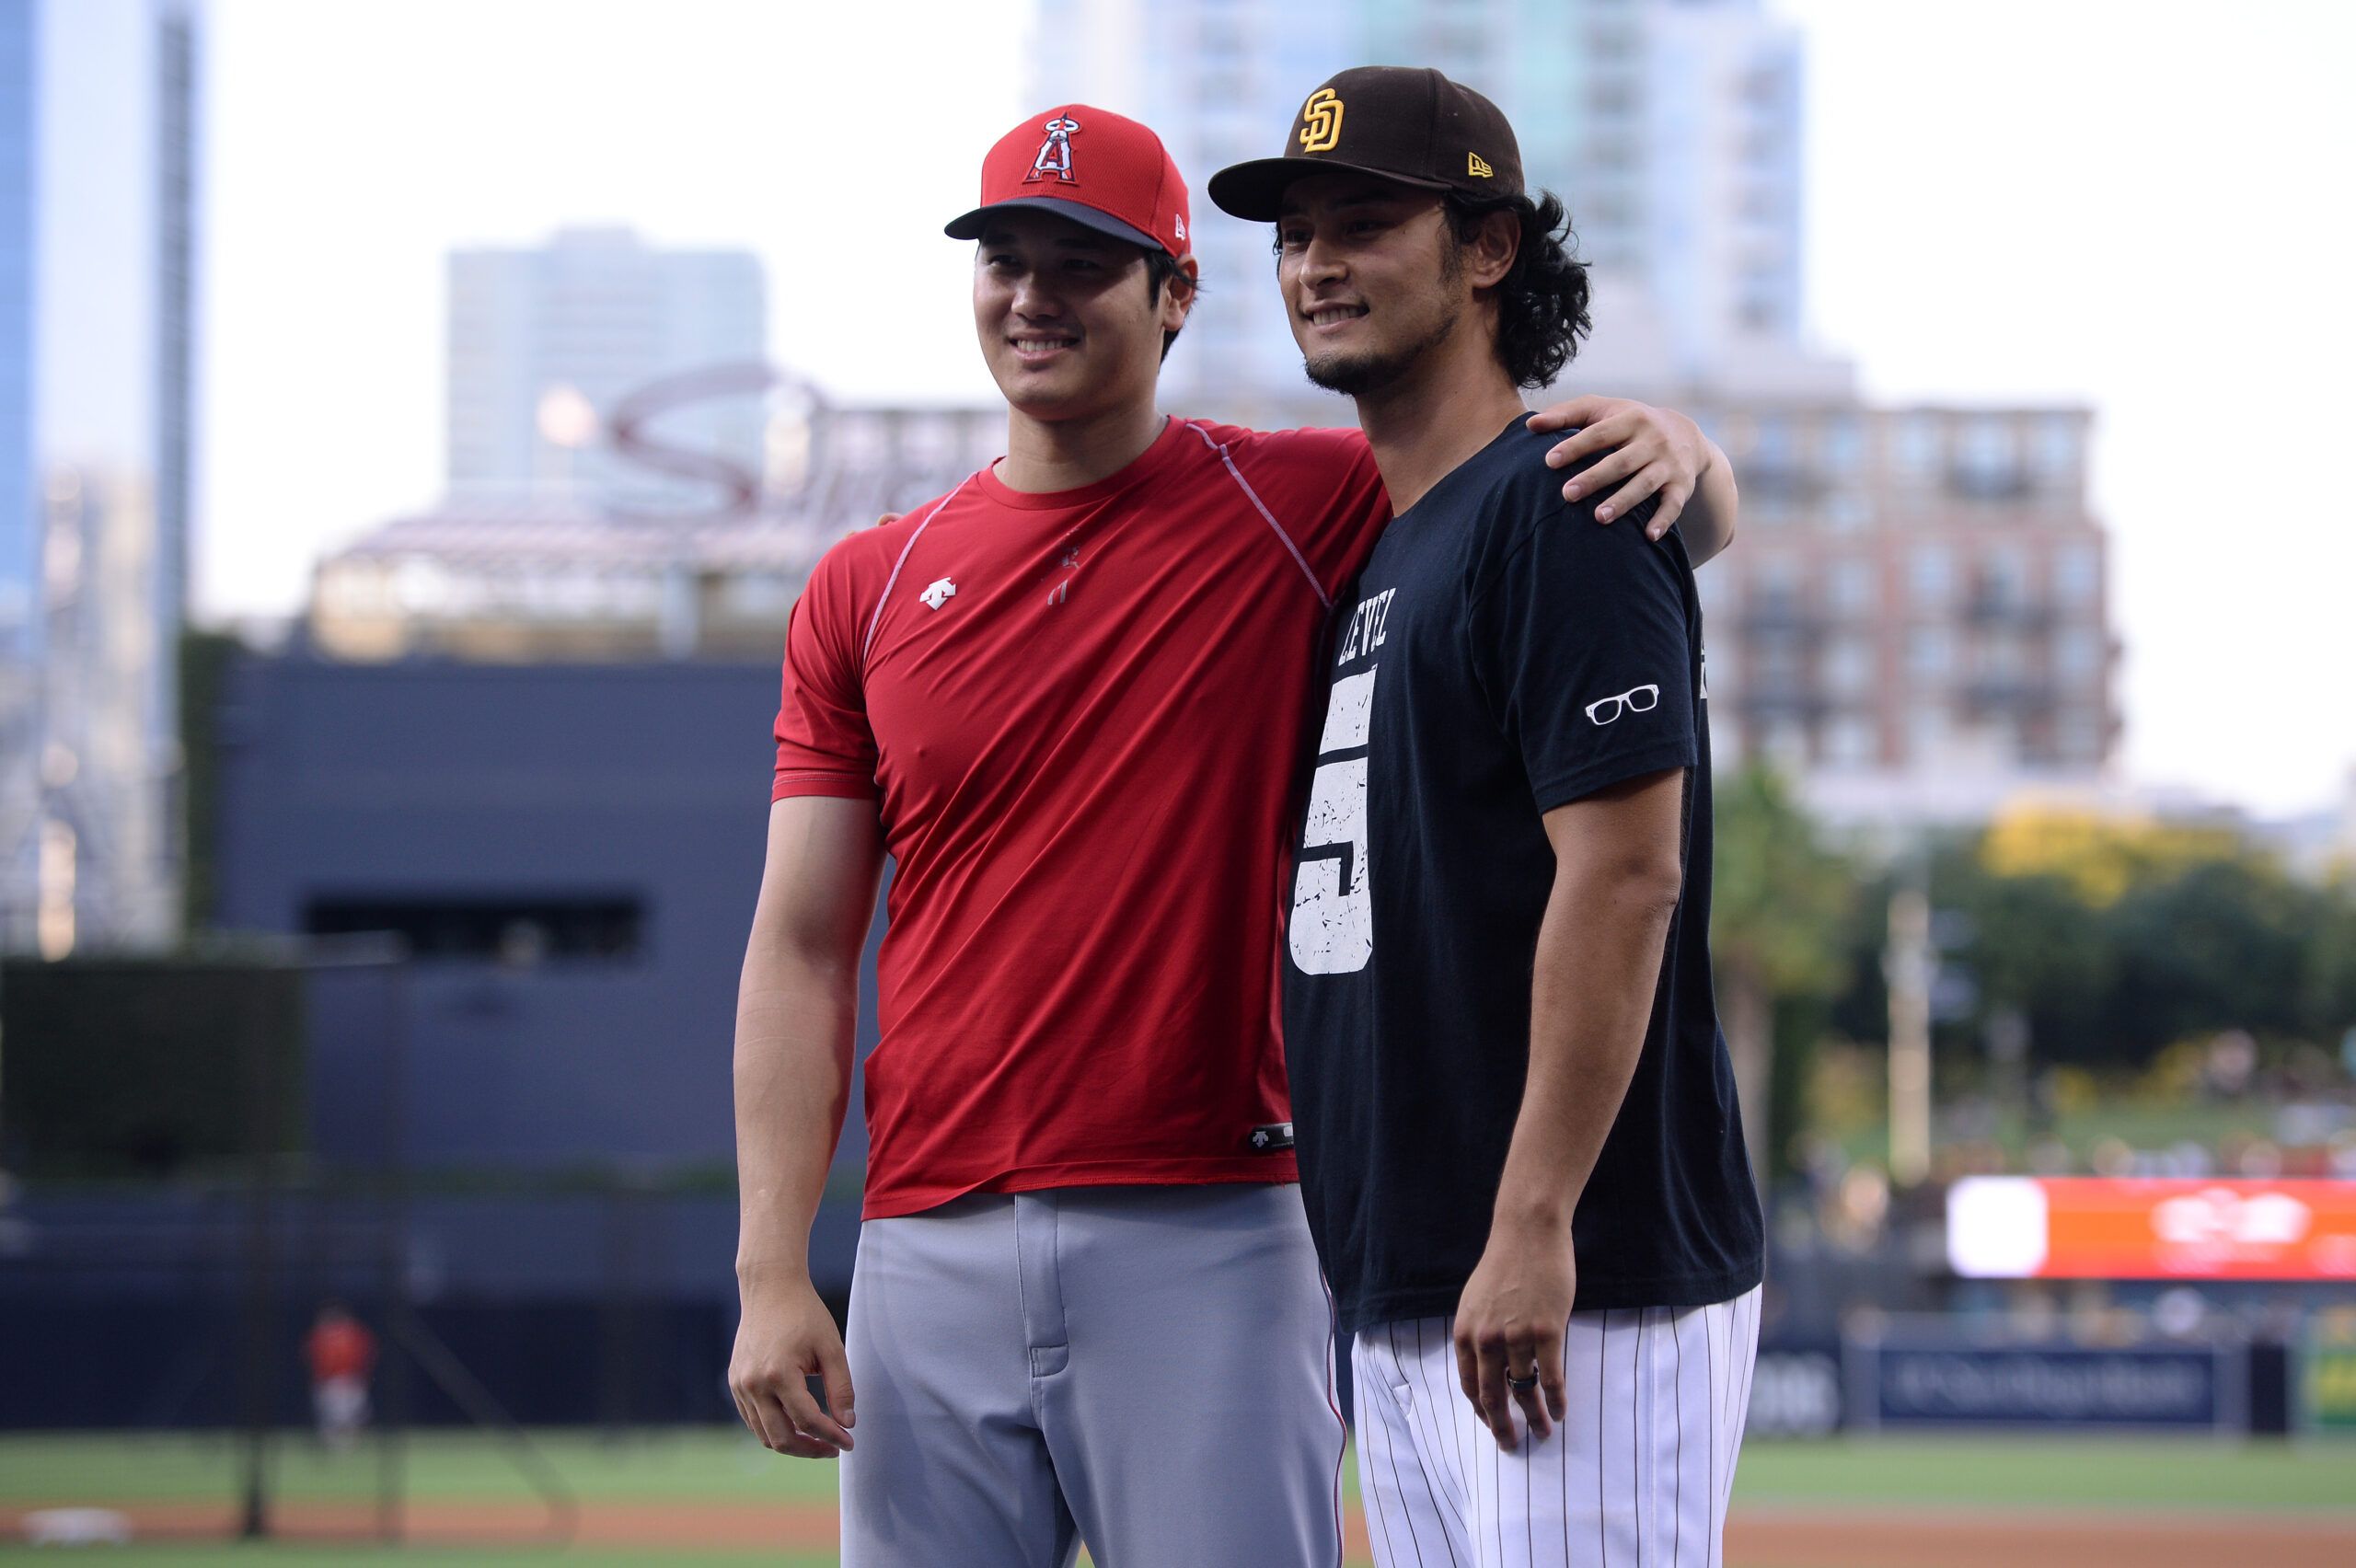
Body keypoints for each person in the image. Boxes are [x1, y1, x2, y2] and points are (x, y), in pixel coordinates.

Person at [729, 101, 1739, 1568]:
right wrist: (772, 1264)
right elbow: (800, 946)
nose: (1034, 296)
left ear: (1175, 292)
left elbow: (1568, 519)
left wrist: (1687, 448)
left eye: (1083, 262)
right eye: (1004, 259)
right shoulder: (865, 588)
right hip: (927, 1230)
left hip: (1220, 1221)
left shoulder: (1310, 502)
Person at [1208, 66, 1766, 1565]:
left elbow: (1630, 874)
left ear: (1488, 249)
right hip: (1403, 1284)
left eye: (1368, 221)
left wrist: (1531, 1222)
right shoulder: (1393, 549)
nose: (1318, 260)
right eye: (1296, 231)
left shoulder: (1565, 499)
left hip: (1578, 1268)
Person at [303, 1301, 378, 1452]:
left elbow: (365, 1354)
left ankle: (341, 1445)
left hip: (344, 1381)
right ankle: (337, 1446)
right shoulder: (325, 1337)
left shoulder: (349, 1335)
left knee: (351, 1416)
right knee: (337, 1418)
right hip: (336, 1382)